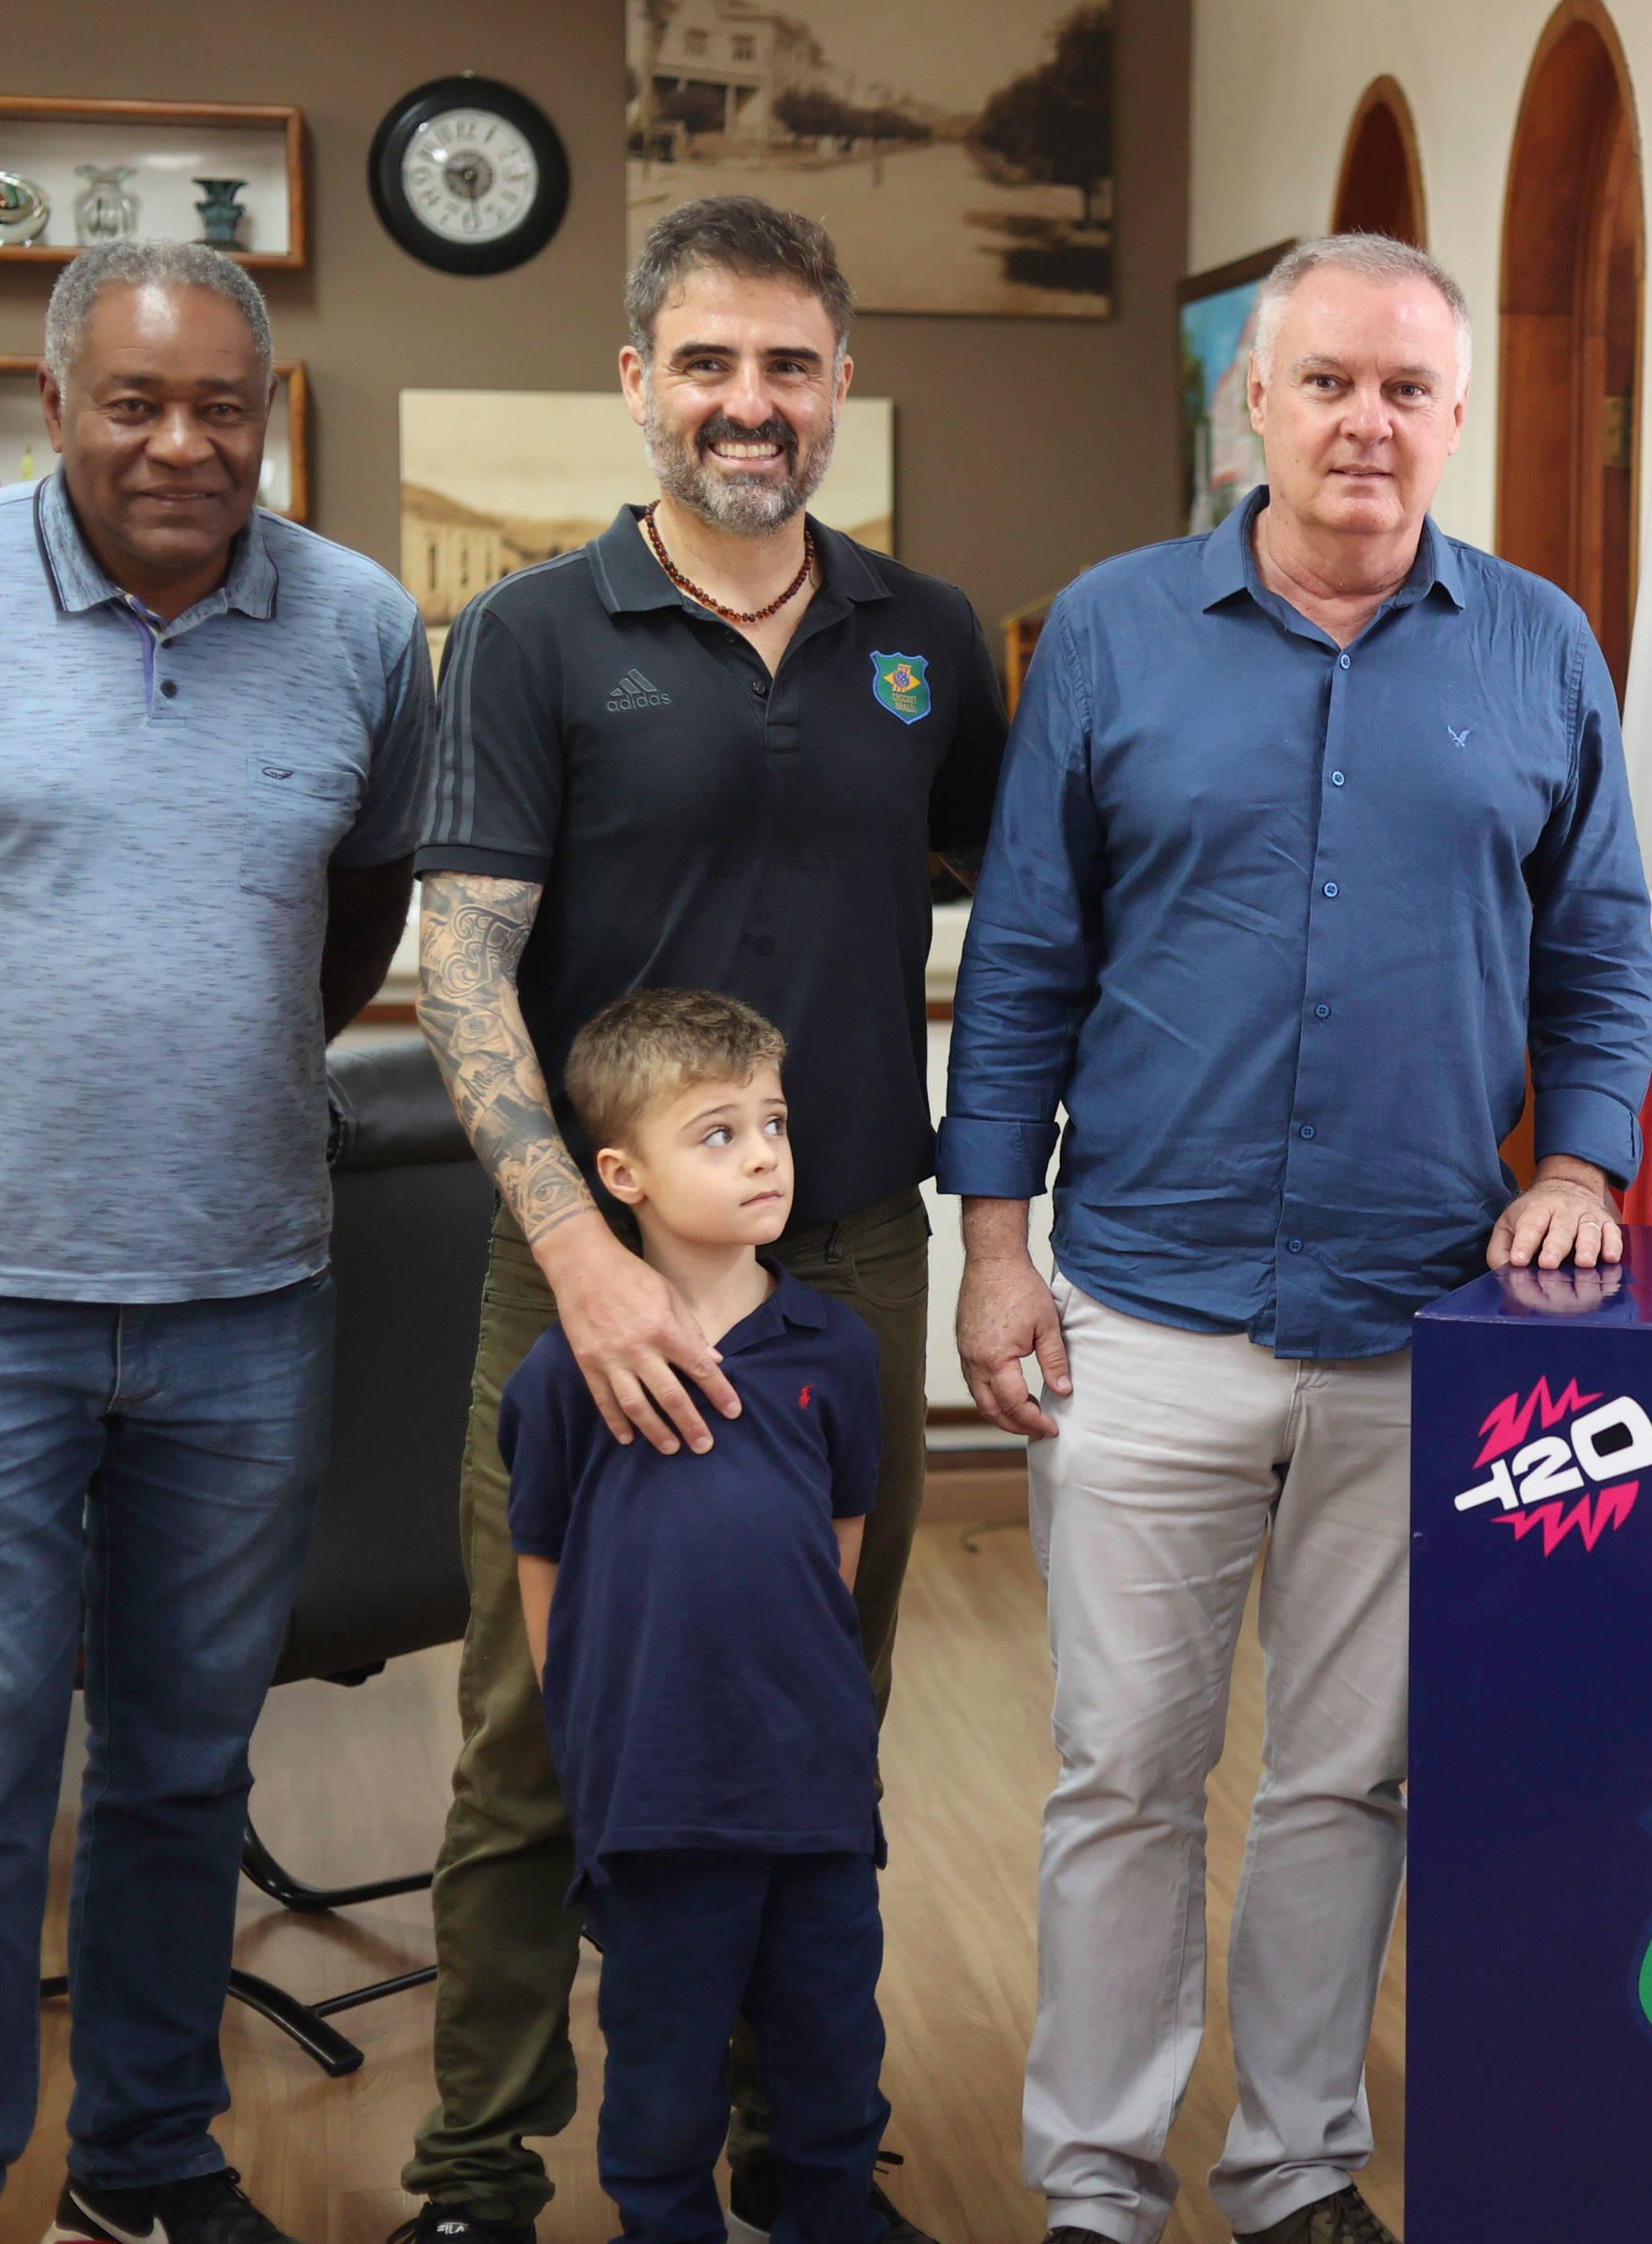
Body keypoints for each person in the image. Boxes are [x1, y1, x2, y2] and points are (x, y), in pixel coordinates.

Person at [945, 231, 1652, 2244]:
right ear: (1251, 400)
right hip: (1145, 1303)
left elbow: (1604, 950)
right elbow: (1022, 959)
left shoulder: (1539, 646)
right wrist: (993, 1248)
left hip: (1422, 1316)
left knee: (1348, 1778)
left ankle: (1294, 2168)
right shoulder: (1110, 630)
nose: (1366, 421)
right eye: (1327, 381)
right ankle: (1096, 2182)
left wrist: (1585, 1169)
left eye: (1407, 389)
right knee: (1122, 1772)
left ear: (1457, 416)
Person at [399, 195, 1003, 2244]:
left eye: (792, 364)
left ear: (840, 387)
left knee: (816, 1711)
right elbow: (462, 971)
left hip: (844, 1271)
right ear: (638, 381)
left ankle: (791, 2141)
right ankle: (479, 2167)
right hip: (587, 1275)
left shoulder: (928, 639)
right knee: (537, 1722)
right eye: (711, 361)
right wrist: (585, 1254)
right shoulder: (533, 637)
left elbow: (1029, 898)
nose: (753, 401)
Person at [0, 241, 429, 2244]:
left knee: (186, 1770)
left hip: (243, 1301)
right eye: (135, 402)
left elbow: (361, 904)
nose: (182, 443)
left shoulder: (361, 624)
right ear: (53, 404)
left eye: (222, 407)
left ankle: (145, 2166)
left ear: (269, 414)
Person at [507, 989, 890, 2244]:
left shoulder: (837, 1348)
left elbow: (838, 1552)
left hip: (814, 1789)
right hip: (658, 1789)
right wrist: (588, 1738)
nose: (765, 1155)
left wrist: (808, 1714)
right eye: (718, 1135)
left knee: (832, 2060)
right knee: (665, 2079)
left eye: (772, 1123)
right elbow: (542, 1558)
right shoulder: (568, 1371)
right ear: (622, 1175)